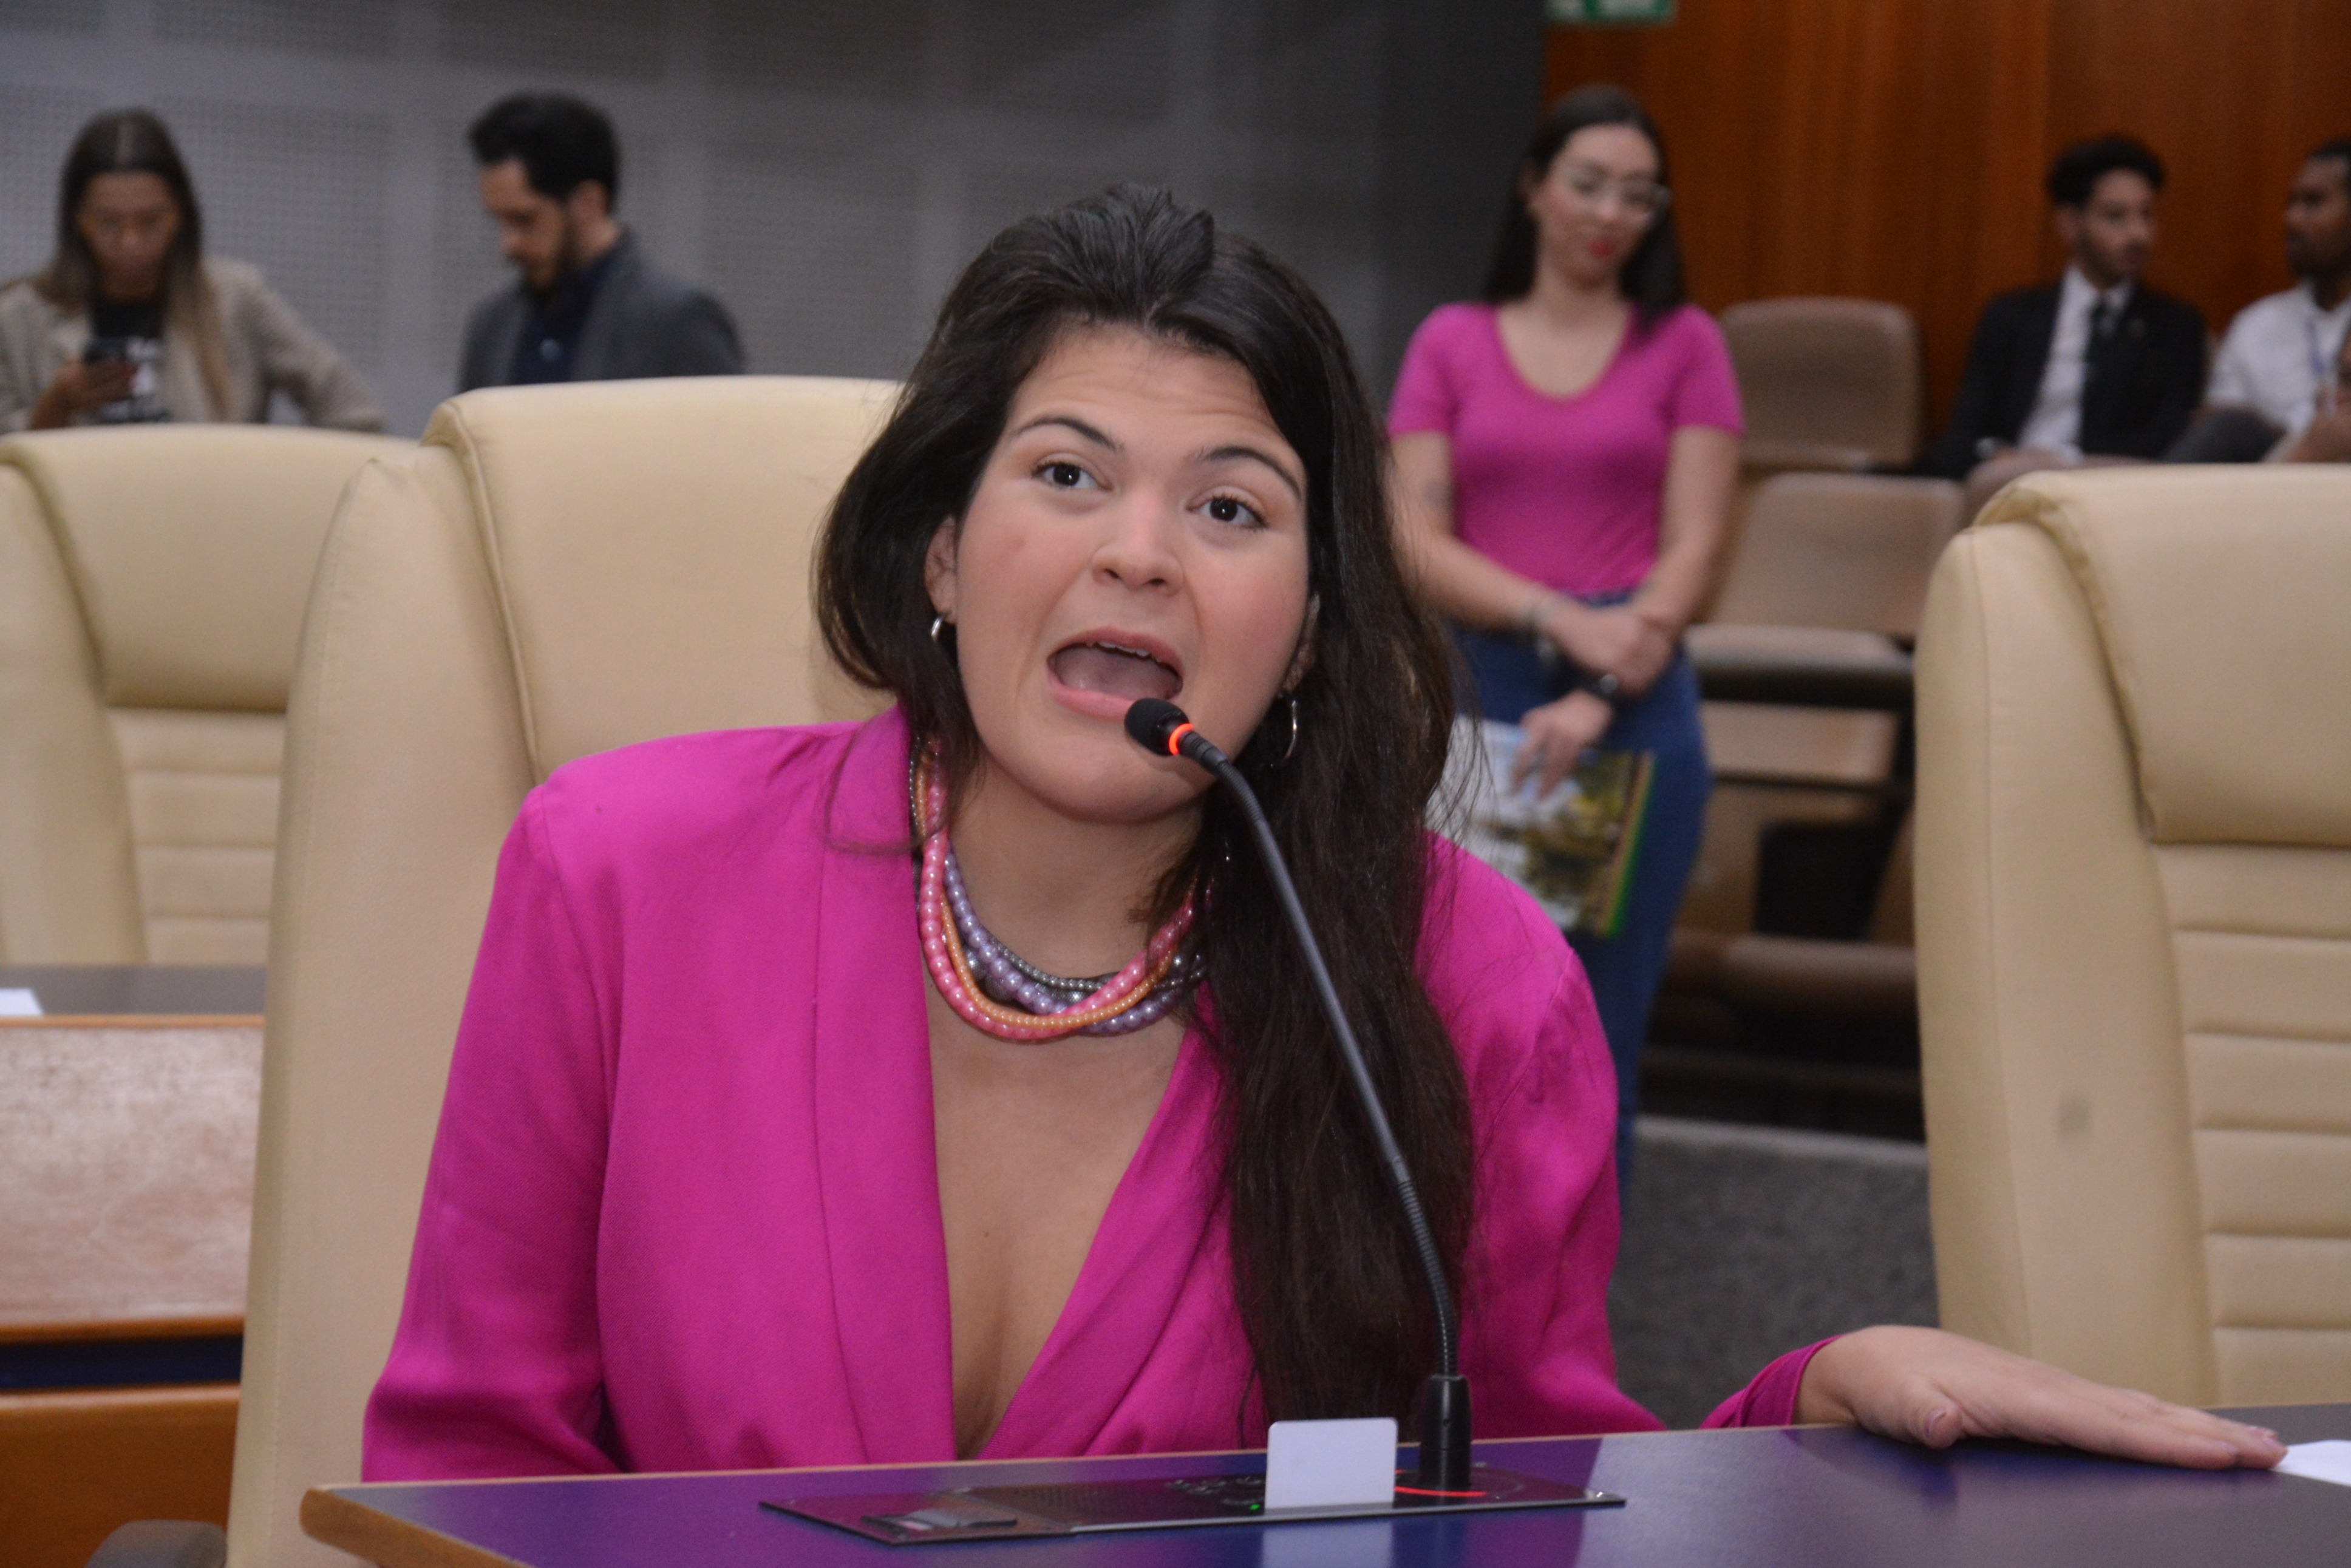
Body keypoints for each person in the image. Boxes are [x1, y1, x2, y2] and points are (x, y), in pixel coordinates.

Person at [363, 186, 2282, 1482]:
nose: (1139, 550)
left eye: (1231, 507)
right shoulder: (618, 873)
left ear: (1301, 623)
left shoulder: (1464, 979)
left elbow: (1516, 1495)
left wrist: (1812, 1418)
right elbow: (466, 1473)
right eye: (1066, 473)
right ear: (942, 552)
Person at [1387, 87, 1735, 1187]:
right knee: (1449, 1020)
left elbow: (1695, 546)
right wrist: (1556, 618)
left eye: (1639, 194)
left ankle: (1576, 1291)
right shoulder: (1452, 340)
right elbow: (1414, 542)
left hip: (1634, 709)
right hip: (1480, 698)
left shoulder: (1685, 343)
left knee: (1596, 1036)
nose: (1610, 212)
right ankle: (1444, 1282)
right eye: (1589, 184)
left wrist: (1603, 677)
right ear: (1535, 188)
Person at [0, 108, 381, 434]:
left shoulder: (237, 299)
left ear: (181, 215)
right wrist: (56, 406)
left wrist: (277, 485)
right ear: (77, 219)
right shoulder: (19, 317)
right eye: (108, 223)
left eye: (150, 221)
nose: (130, 242)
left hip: (211, 501)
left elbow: (354, 414)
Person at [1924, 136, 2205, 491]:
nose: (2139, 234)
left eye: (2147, 214)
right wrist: (1999, 458)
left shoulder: (2174, 328)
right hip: (2004, 489)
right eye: (2116, 216)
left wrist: (2059, 463)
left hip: (2105, 492)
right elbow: (1963, 434)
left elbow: (2163, 443)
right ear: (2071, 223)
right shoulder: (2012, 317)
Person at [457, 92, 743, 392]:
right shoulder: (492, 324)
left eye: (525, 220)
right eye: (500, 221)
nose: (508, 244)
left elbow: (726, 421)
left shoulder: (677, 321)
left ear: (588, 203)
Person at [2170, 138, 2351, 461]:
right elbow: (2216, 435)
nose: (2293, 219)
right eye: (2292, 203)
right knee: (2228, 429)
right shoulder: (2257, 325)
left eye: (2314, 203)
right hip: (2265, 480)